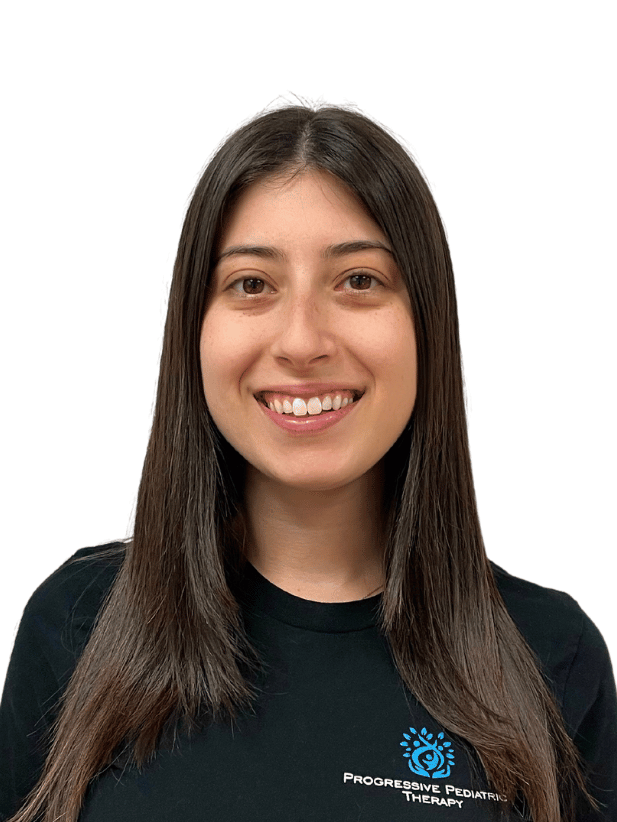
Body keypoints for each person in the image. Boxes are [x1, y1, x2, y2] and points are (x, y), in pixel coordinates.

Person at [1, 103, 615, 822]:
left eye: (358, 280)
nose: (301, 341)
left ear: (426, 325)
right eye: (252, 285)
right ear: (193, 329)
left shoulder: (549, 656)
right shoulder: (79, 623)